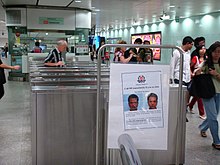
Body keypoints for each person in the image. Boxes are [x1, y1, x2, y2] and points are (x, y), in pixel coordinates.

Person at [197, 42, 220, 150]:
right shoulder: (206, 64)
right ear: (210, 52)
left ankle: (202, 127)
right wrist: (198, 71)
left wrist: (216, 74)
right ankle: (216, 141)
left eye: (219, 52)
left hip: (219, 94)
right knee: (213, 118)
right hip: (208, 94)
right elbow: (196, 74)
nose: (217, 54)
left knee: (213, 116)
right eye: (215, 52)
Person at [188, 46, 206, 119]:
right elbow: (190, 66)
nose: (203, 50)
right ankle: (202, 113)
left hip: (204, 78)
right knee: (200, 96)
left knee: (197, 95)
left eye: (204, 48)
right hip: (197, 78)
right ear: (198, 50)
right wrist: (191, 73)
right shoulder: (195, 58)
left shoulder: (206, 58)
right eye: (201, 49)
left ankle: (191, 105)